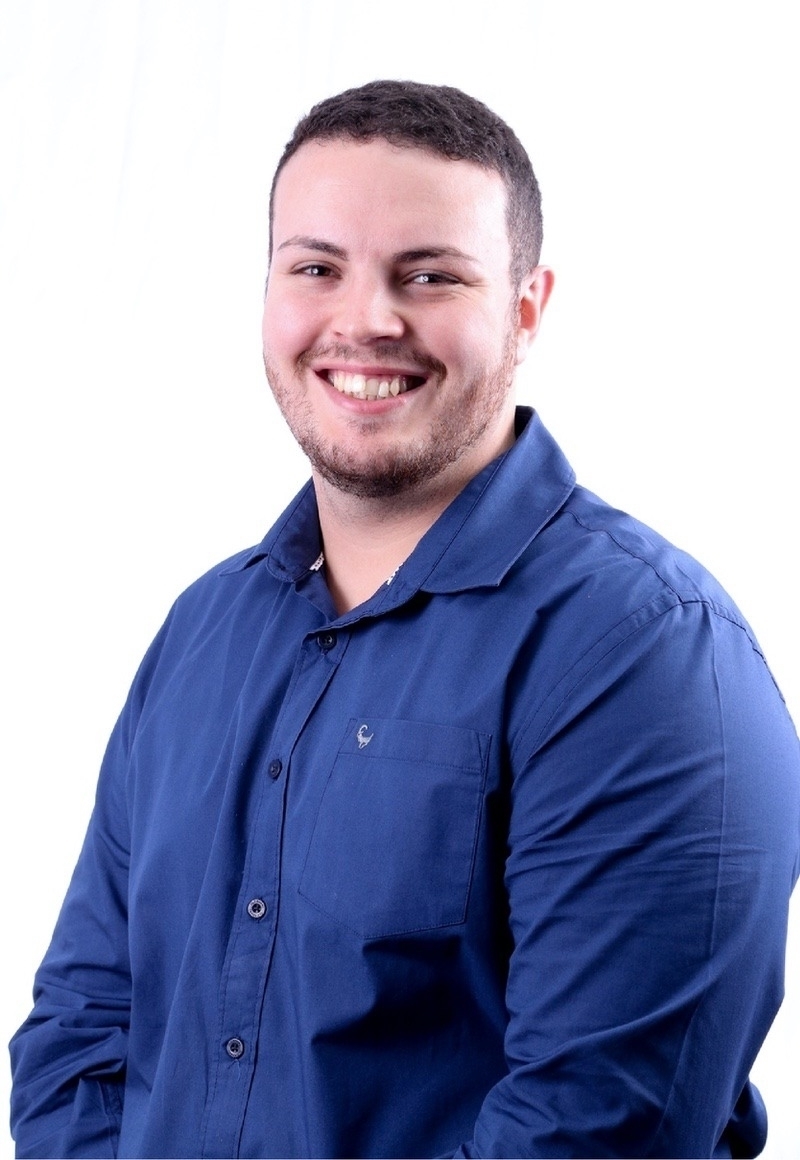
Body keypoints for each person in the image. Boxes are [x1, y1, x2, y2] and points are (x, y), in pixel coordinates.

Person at [9, 79, 800, 1160]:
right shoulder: (203, 633)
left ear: (525, 307)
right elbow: (80, 1036)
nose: (365, 320)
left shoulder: (646, 654)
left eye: (429, 275)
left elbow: (593, 1128)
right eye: (316, 268)